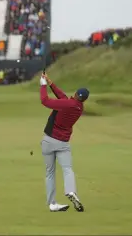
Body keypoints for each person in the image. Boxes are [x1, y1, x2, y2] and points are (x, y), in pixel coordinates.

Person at [39, 72, 89, 212]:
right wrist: (50, 82)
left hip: (49, 141)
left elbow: (45, 101)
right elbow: (63, 97)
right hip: (63, 143)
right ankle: (71, 191)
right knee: (67, 169)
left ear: (75, 93)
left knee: (50, 173)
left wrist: (42, 85)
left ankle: (52, 203)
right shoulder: (78, 108)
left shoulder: (67, 104)